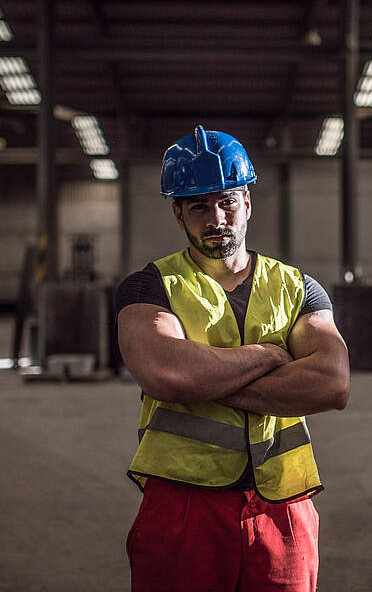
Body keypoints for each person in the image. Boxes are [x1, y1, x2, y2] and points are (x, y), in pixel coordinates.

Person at [115, 126, 350, 592]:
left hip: (283, 500)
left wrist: (205, 377)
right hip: (184, 501)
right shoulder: (151, 286)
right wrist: (269, 354)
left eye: (226, 201)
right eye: (198, 205)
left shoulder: (297, 287)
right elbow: (168, 374)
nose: (216, 217)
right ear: (178, 214)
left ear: (248, 202)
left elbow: (331, 384)